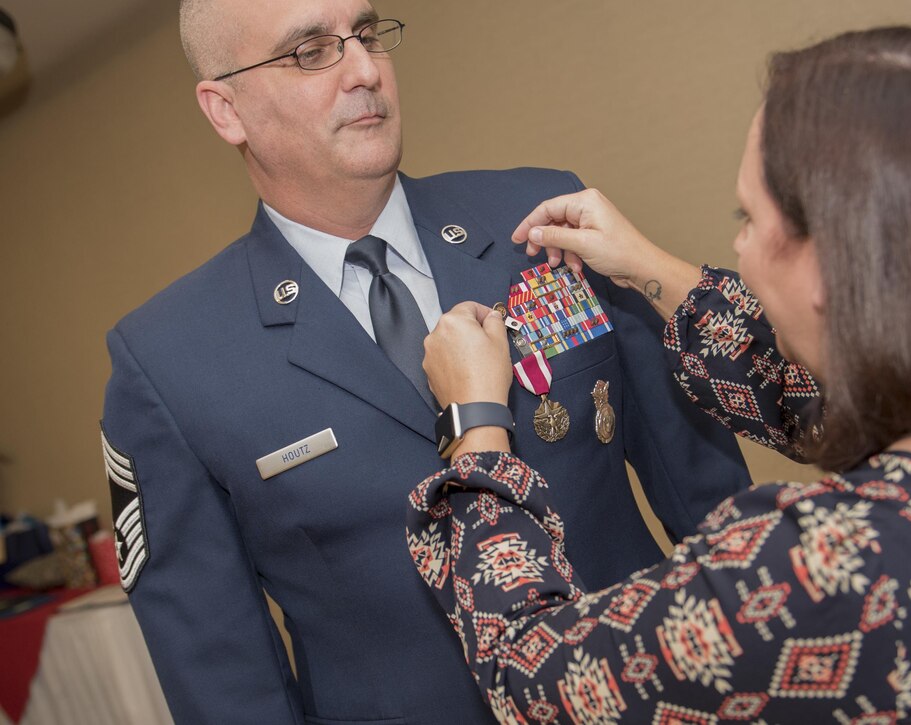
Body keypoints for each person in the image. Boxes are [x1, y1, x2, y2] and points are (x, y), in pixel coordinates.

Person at [409, 26, 911, 722]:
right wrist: (651, 267)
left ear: (833, 263)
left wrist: (476, 430)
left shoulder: (821, 568)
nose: (737, 245)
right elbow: (822, 398)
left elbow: (538, 679)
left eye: (749, 218)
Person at [98, 1, 750, 722]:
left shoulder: (540, 222)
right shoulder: (169, 359)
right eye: (311, 50)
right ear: (226, 109)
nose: (366, 70)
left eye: (367, 35)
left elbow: (708, 498)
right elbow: (223, 677)